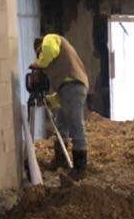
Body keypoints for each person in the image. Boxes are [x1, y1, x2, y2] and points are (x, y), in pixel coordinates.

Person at [30, 33, 90, 178]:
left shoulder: (50, 39)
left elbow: (49, 50)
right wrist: (48, 100)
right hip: (69, 88)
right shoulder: (62, 75)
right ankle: (60, 160)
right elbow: (62, 97)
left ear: (40, 47)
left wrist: (38, 64)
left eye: (40, 54)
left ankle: (80, 167)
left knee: (76, 124)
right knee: (61, 124)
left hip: (74, 85)